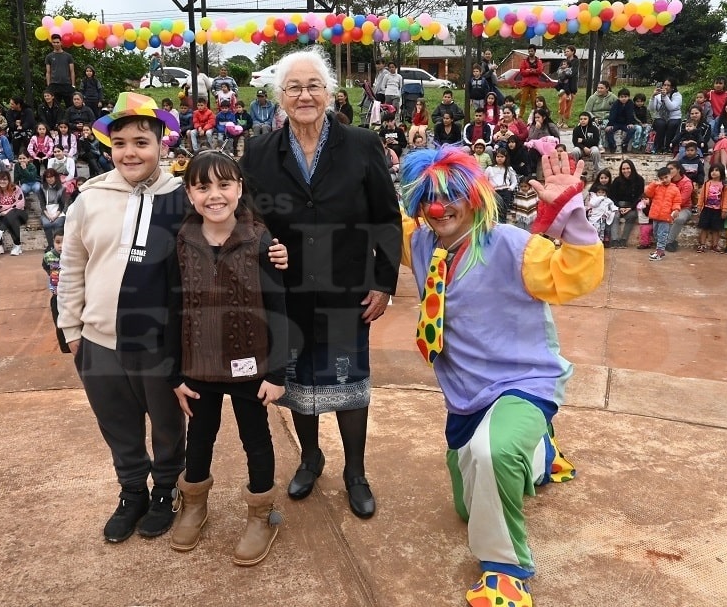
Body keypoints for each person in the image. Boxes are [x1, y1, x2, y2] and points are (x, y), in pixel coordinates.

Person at [60, 91, 287, 543]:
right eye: (120, 143)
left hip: (162, 340)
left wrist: (274, 251)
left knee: (170, 427)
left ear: (161, 143)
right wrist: (70, 326)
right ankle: (131, 492)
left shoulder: (181, 197)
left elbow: (230, 224)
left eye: (141, 142)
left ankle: (167, 492)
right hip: (99, 336)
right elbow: (71, 264)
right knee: (118, 423)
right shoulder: (89, 199)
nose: (130, 152)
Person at [398, 147, 602, 607]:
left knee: (491, 453)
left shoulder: (510, 244)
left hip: (525, 381)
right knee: (468, 508)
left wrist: (570, 214)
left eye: (451, 195)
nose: (439, 208)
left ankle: (506, 570)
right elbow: (379, 216)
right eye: (429, 197)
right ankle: (540, 451)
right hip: (465, 396)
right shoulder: (421, 243)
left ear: (474, 196)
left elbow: (574, 274)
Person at [239, 48, 401, 519]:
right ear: (279, 97)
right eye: (294, 87)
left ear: (329, 93)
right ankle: (310, 459)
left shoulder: (362, 144)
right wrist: (265, 251)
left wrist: (383, 282)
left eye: (313, 86)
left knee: (349, 383)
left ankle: (356, 472)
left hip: (347, 288)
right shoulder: (260, 151)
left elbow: (386, 218)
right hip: (285, 291)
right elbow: (248, 220)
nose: (305, 95)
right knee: (296, 381)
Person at [169, 150, 288, 565]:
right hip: (198, 365)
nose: (214, 195)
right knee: (200, 438)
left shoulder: (261, 241)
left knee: (255, 438)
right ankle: (194, 505)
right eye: (203, 187)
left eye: (224, 184)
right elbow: (171, 309)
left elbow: (278, 309)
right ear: (189, 193)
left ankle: (261, 515)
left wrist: (277, 372)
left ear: (239, 189)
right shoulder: (181, 242)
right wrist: (174, 373)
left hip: (251, 366)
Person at [645, 167, 682, 261]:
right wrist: (654, 184)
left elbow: (677, 202)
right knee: (656, 233)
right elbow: (648, 193)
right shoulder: (657, 187)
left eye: (666, 177)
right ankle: (659, 250)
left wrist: (676, 209)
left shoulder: (675, 189)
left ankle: (660, 251)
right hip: (655, 215)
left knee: (662, 234)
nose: (664, 180)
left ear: (670, 176)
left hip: (666, 217)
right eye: (662, 178)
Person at [43, 230, 71, 353]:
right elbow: (46, 266)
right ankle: (65, 349)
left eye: (64, 242)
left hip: (72, 295)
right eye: (58, 242)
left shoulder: (74, 256)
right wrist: (52, 276)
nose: (61, 246)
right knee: (59, 323)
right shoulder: (49, 256)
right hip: (57, 296)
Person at [608, 159, 645, 248]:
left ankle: (624, 239)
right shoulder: (617, 180)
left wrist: (631, 207)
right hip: (618, 205)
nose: (625, 171)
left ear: (632, 168)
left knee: (632, 215)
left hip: (631, 206)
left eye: (628, 168)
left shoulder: (639, 180)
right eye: (623, 169)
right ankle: (615, 240)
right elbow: (612, 196)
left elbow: (639, 196)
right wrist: (618, 207)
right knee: (614, 215)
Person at [0, 171, 28, 256]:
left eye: (5, 179)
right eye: (0, 179)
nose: (2, 181)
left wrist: (7, 211)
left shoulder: (16, 188)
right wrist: (12, 207)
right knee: (13, 220)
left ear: (9, 180)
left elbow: (20, 204)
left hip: (21, 214)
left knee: (13, 213)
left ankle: (0, 231)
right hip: (5, 217)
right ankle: (17, 246)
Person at [696, 165, 727, 253]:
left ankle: (715, 245)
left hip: (718, 210)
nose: (714, 172)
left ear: (721, 172)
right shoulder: (707, 184)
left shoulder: (724, 186)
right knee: (704, 228)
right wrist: (699, 206)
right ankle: (702, 245)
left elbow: (726, 199)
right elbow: (701, 196)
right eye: (712, 170)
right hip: (706, 209)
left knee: (716, 229)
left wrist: (724, 210)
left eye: (716, 170)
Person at [664, 161, 695, 253]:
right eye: (667, 169)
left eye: (671, 169)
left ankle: (668, 242)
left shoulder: (687, 183)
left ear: (678, 169)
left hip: (684, 208)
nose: (669, 171)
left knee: (679, 219)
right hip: (668, 206)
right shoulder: (667, 181)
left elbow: (682, 200)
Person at [37, 167, 68, 250]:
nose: (49, 179)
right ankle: (51, 245)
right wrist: (48, 215)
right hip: (47, 211)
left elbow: (62, 204)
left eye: (51, 177)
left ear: (55, 177)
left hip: (58, 211)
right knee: (46, 224)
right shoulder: (42, 188)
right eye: (47, 177)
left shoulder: (62, 188)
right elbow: (42, 203)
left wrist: (55, 216)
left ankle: (59, 245)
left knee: (58, 223)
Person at [485, 148, 518, 223]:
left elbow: (514, 181)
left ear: (506, 158)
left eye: (502, 157)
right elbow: (484, 181)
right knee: (494, 211)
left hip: (506, 192)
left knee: (503, 212)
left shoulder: (509, 168)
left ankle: (502, 226)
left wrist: (510, 188)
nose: (499, 158)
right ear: (495, 157)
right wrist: (489, 190)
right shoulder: (490, 168)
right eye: (498, 156)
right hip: (494, 192)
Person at [651, 79, 682, 154]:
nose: (666, 87)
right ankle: (659, 147)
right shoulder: (658, 95)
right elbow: (652, 108)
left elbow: (671, 107)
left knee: (672, 124)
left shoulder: (677, 95)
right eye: (664, 85)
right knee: (661, 124)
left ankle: (668, 147)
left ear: (673, 87)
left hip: (674, 117)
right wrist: (653, 97)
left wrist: (665, 97)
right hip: (660, 117)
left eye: (668, 85)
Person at [45, 34, 76, 108]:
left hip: (67, 84)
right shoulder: (49, 56)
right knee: (55, 107)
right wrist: (49, 85)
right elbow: (48, 72)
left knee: (70, 106)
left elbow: (72, 71)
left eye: (57, 42)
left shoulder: (68, 56)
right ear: (52, 43)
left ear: (61, 42)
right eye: (54, 42)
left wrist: (73, 85)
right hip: (54, 85)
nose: (56, 44)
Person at [605, 88, 637, 153]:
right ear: (619, 97)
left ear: (628, 97)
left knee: (632, 130)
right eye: (621, 97)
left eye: (625, 97)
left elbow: (630, 114)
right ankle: (612, 145)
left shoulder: (630, 103)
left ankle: (625, 144)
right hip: (616, 123)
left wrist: (630, 123)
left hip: (625, 124)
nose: (623, 98)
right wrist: (610, 124)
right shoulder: (616, 104)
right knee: (608, 130)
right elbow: (612, 114)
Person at [570, 111, 603, 176]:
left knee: (595, 151)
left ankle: (597, 170)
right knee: (575, 151)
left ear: (589, 119)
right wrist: (584, 147)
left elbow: (596, 141)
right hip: (581, 148)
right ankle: (575, 169)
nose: (583, 121)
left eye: (585, 119)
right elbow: (575, 142)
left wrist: (583, 140)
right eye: (581, 119)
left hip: (592, 147)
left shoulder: (594, 129)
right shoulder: (576, 129)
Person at [557, 46, 581, 128]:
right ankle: (560, 119)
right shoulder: (564, 61)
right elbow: (559, 72)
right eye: (565, 51)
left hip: (572, 85)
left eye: (567, 51)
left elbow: (573, 73)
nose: (566, 53)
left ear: (573, 51)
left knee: (569, 104)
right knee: (562, 100)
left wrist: (564, 75)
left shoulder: (576, 61)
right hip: (563, 86)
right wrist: (563, 77)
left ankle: (565, 122)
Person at [518, 44, 544, 116]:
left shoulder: (539, 61)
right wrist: (531, 71)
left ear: (535, 51)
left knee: (534, 102)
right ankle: (520, 116)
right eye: (529, 51)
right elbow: (522, 72)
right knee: (523, 102)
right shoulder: (524, 61)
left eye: (532, 51)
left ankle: (535, 115)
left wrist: (530, 70)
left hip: (534, 84)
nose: (530, 52)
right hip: (525, 84)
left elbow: (540, 71)